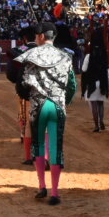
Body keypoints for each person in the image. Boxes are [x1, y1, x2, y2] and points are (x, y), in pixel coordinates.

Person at [16, 22, 77, 205]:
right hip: (57, 106)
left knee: (39, 147)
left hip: (38, 106)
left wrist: (29, 97)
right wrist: (63, 100)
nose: (36, 38)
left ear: (42, 36)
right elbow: (72, 85)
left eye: (36, 35)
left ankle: (42, 186)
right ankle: (56, 193)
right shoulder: (66, 57)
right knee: (56, 148)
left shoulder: (31, 55)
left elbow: (22, 83)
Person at [6, 26, 39, 163]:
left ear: (25, 38)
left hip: (26, 91)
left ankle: (28, 156)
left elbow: (11, 74)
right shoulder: (44, 50)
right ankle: (43, 156)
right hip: (44, 91)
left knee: (27, 123)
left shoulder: (20, 51)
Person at [81, 28, 109, 132]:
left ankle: (96, 126)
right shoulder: (104, 56)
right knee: (101, 103)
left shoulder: (89, 56)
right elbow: (107, 71)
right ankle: (101, 121)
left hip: (92, 83)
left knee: (94, 104)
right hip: (102, 82)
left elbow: (83, 69)